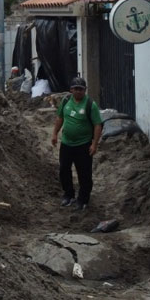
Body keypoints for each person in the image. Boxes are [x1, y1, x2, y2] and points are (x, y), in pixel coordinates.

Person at [50, 76, 104, 212]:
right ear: (71, 90)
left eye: (81, 89)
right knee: (64, 170)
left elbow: (98, 125)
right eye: (76, 89)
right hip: (66, 144)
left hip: (83, 145)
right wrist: (55, 133)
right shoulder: (66, 101)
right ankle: (68, 194)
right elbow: (60, 117)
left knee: (84, 173)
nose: (78, 92)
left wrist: (95, 144)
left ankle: (83, 199)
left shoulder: (90, 104)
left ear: (85, 90)